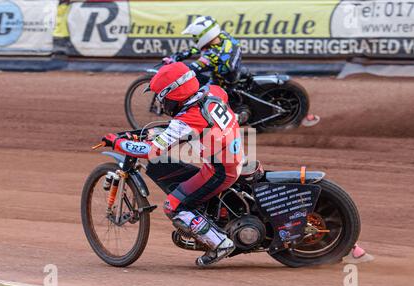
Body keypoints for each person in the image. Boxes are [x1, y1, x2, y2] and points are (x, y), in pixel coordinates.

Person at [102, 62, 243, 267]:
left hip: (220, 170)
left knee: (173, 205)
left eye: (161, 97)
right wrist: (146, 134)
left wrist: (118, 143)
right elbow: (181, 128)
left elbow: (152, 152)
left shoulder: (189, 118)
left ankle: (220, 243)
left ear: (172, 94)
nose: (161, 103)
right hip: (234, 155)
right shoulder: (213, 92)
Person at [165, 16, 320, 127]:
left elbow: (195, 67)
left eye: (195, 36)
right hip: (232, 72)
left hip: (225, 83)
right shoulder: (222, 37)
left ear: (204, 36)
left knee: (204, 98)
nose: (193, 39)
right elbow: (199, 49)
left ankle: (235, 117)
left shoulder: (216, 54)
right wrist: (181, 55)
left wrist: (177, 66)